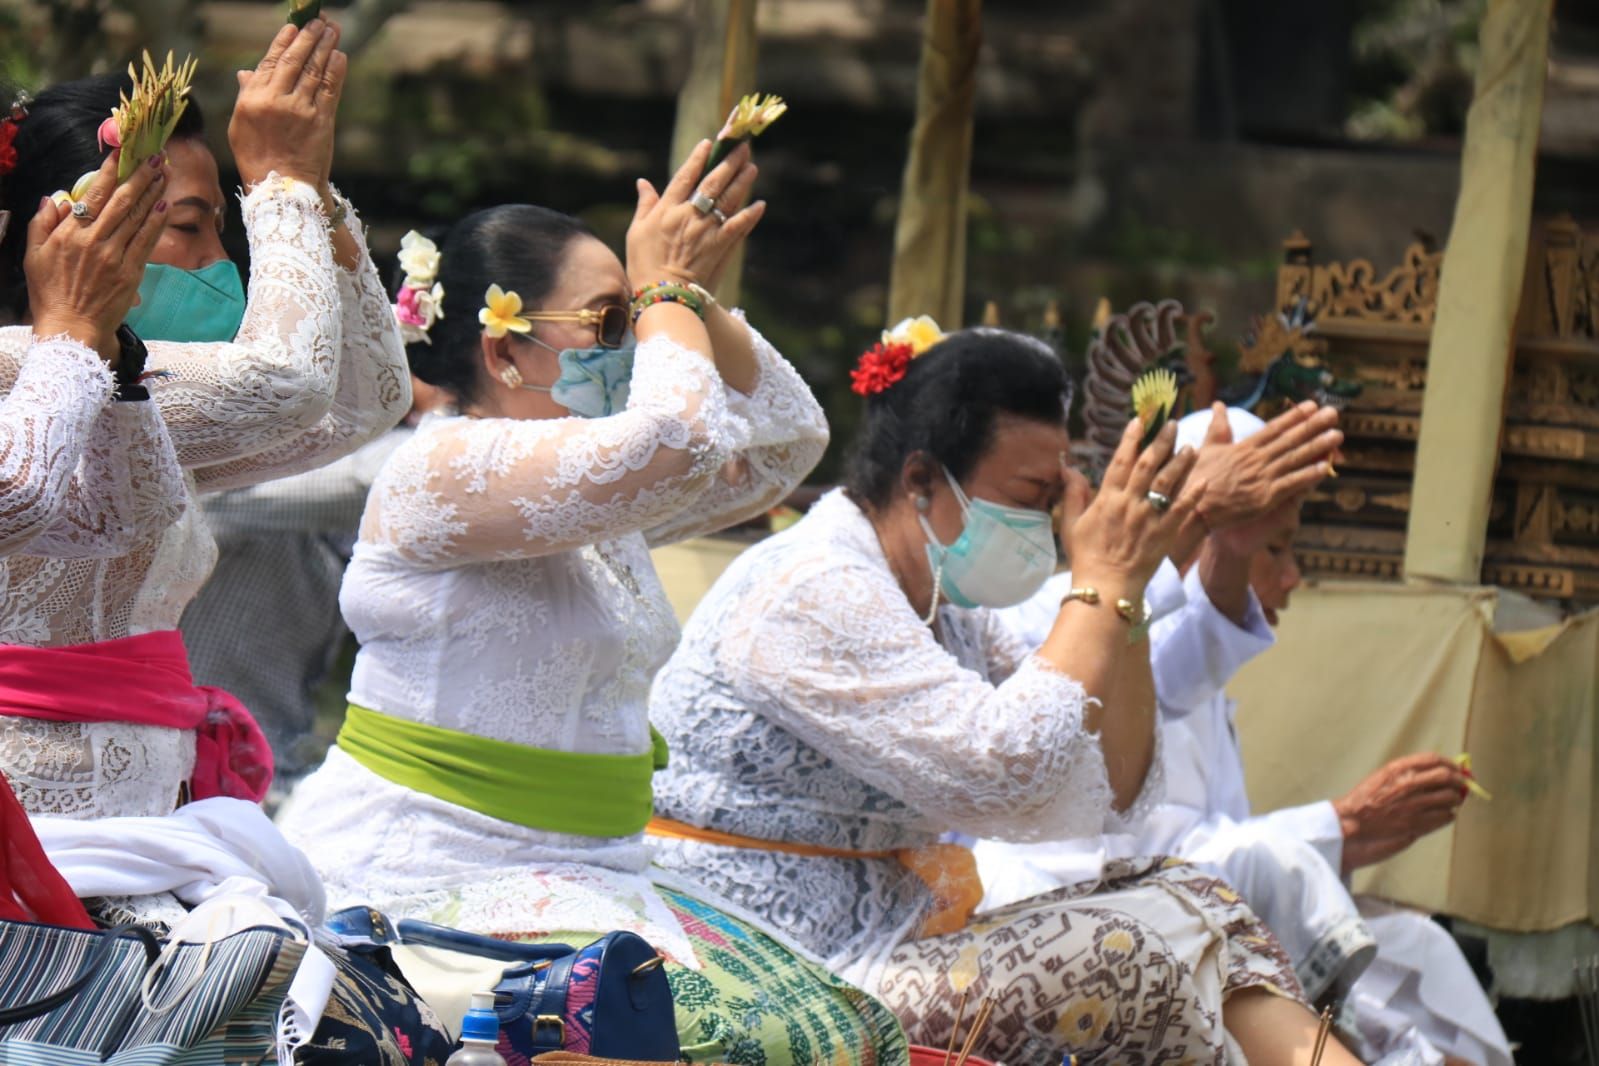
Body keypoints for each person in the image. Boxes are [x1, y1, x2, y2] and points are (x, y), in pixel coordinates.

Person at [278, 142, 905, 1064]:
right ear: (503, 350)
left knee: (845, 1034)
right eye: (609, 321)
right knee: (729, 1046)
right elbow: (680, 440)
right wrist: (666, 293)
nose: (637, 341)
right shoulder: (442, 468)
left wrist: (685, 298)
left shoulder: (606, 495)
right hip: (433, 868)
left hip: (593, 871)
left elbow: (782, 442)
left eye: (634, 318)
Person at [647, 325, 1363, 1065]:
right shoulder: (813, 586)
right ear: (922, 478)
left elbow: (1106, 787)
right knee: (1138, 950)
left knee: (1203, 905)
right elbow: (1006, 771)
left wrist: (1128, 603)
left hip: (877, 937)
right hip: (761, 966)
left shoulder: (946, 608)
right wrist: (1105, 580)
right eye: (1031, 496)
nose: (1049, 522)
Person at [0, 21, 441, 1063]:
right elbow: (293, 387)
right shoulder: (32, 367)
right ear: (60, 234)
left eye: (217, 230)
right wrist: (281, 181)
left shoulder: (117, 386)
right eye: (188, 229)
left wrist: (317, 199)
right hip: (49, 847)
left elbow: (359, 402)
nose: (213, 263)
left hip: (148, 832)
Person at [982, 406, 1511, 1066]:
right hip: (1063, 910)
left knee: (1417, 945)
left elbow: (1181, 668)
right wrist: (1338, 827)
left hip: (1168, 907)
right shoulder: (1060, 615)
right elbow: (1148, 845)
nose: (1290, 576)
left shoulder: (1153, 636)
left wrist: (1226, 545)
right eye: (1274, 546)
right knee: (1281, 873)